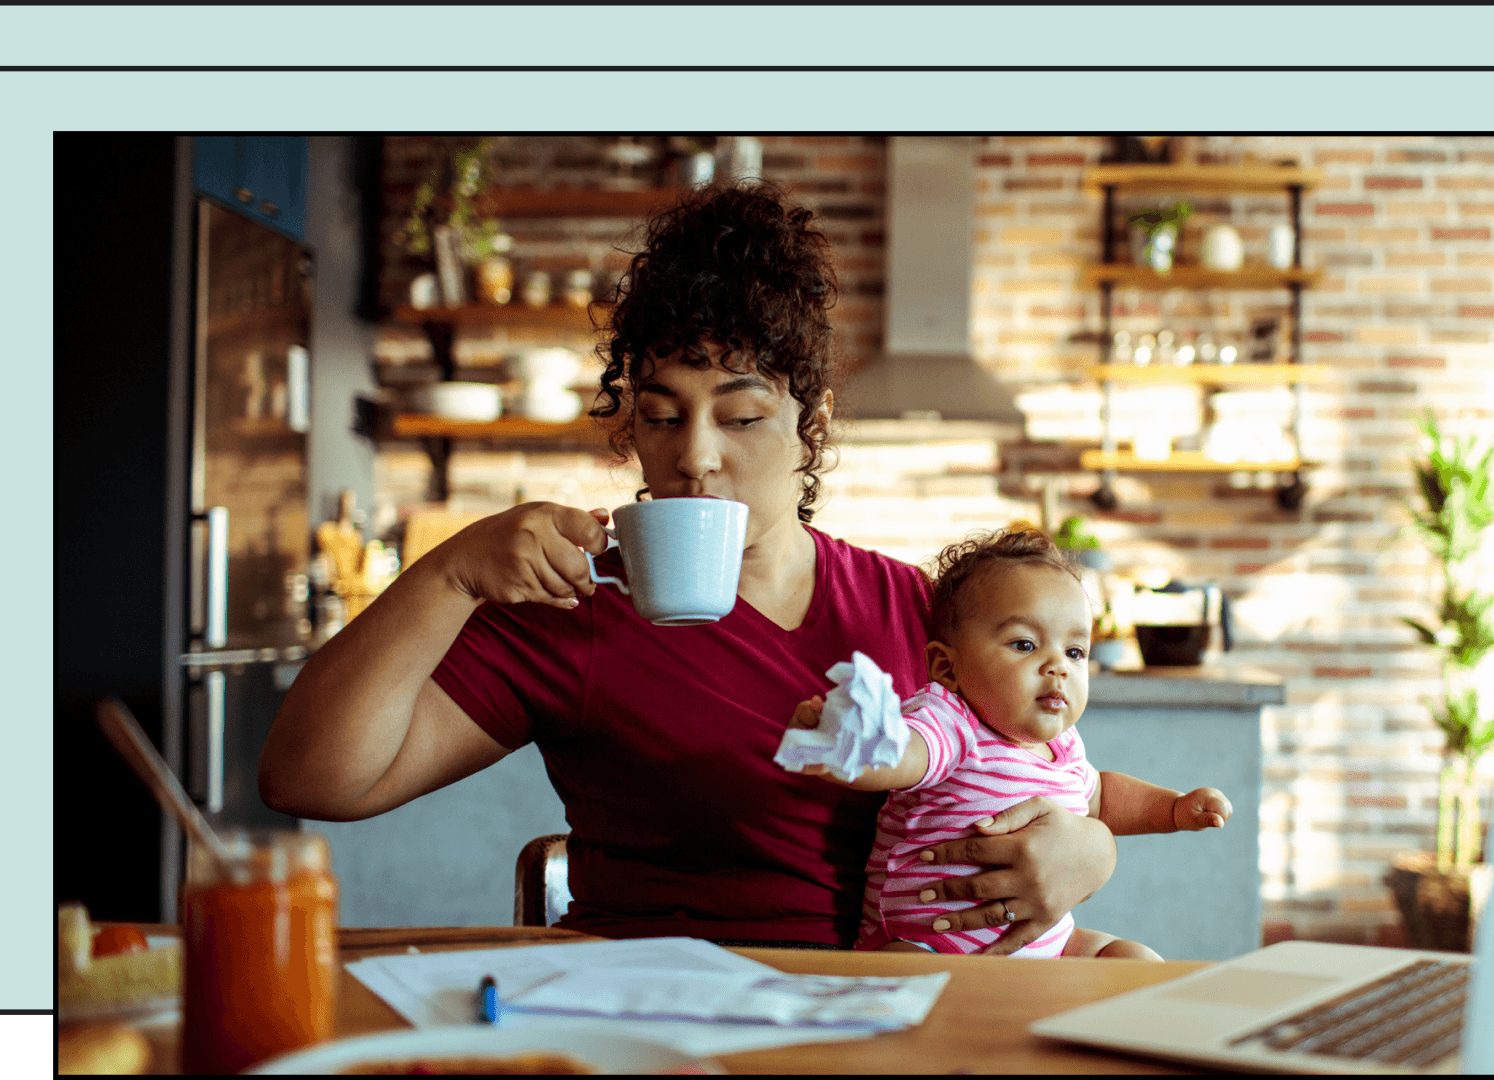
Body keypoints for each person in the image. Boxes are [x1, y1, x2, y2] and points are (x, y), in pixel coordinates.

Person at [258, 180, 1118, 953]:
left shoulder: (914, 608)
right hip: (644, 1008)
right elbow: (312, 778)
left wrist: (1090, 846)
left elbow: (1039, 768)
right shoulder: (576, 605)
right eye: (663, 417)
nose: (695, 457)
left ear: (808, 425)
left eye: (740, 418)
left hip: (872, 1005)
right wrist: (450, 574)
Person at [785, 528, 1234, 959]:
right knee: (898, 968)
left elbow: (1104, 797)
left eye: (1075, 652)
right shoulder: (951, 720)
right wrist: (847, 747)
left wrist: (1173, 808)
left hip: (1042, 946)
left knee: (1132, 958)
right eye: (1024, 644)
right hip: (927, 943)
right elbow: (906, 756)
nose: (1057, 666)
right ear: (947, 667)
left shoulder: (1065, 746)